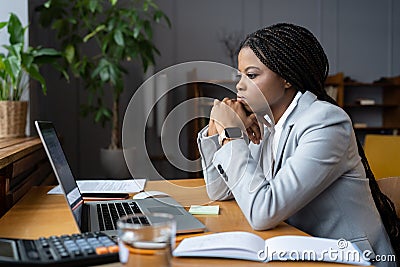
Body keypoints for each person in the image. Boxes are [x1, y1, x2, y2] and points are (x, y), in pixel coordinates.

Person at [197, 23, 399, 266]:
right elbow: (220, 192)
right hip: (299, 248)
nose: (239, 85)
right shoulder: (265, 122)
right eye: (239, 76)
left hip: (349, 258)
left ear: (286, 79)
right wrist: (214, 129)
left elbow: (264, 211)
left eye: (251, 75)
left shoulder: (326, 122)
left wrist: (231, 135)